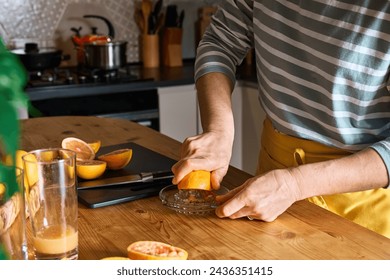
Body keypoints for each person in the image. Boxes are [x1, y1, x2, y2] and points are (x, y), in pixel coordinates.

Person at [171, 0, 390, 238]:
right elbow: (220, 42)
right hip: (269, 186)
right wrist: (219, 130)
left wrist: (295, 184)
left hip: (362, 201)